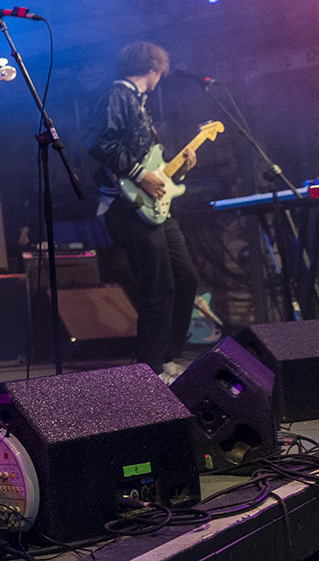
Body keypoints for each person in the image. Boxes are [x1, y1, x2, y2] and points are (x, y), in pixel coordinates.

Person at [85, 40, 199, 385]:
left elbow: (152, 166)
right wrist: (138, 175)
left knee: (186, 279)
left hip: (154, 207)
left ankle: (165, 359)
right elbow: (98, 143)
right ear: (155, 69)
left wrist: (177, 169)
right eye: (161, 73)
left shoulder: (138, 103)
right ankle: (149, 372)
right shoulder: (117, 95)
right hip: (126, 206)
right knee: (159, 287)